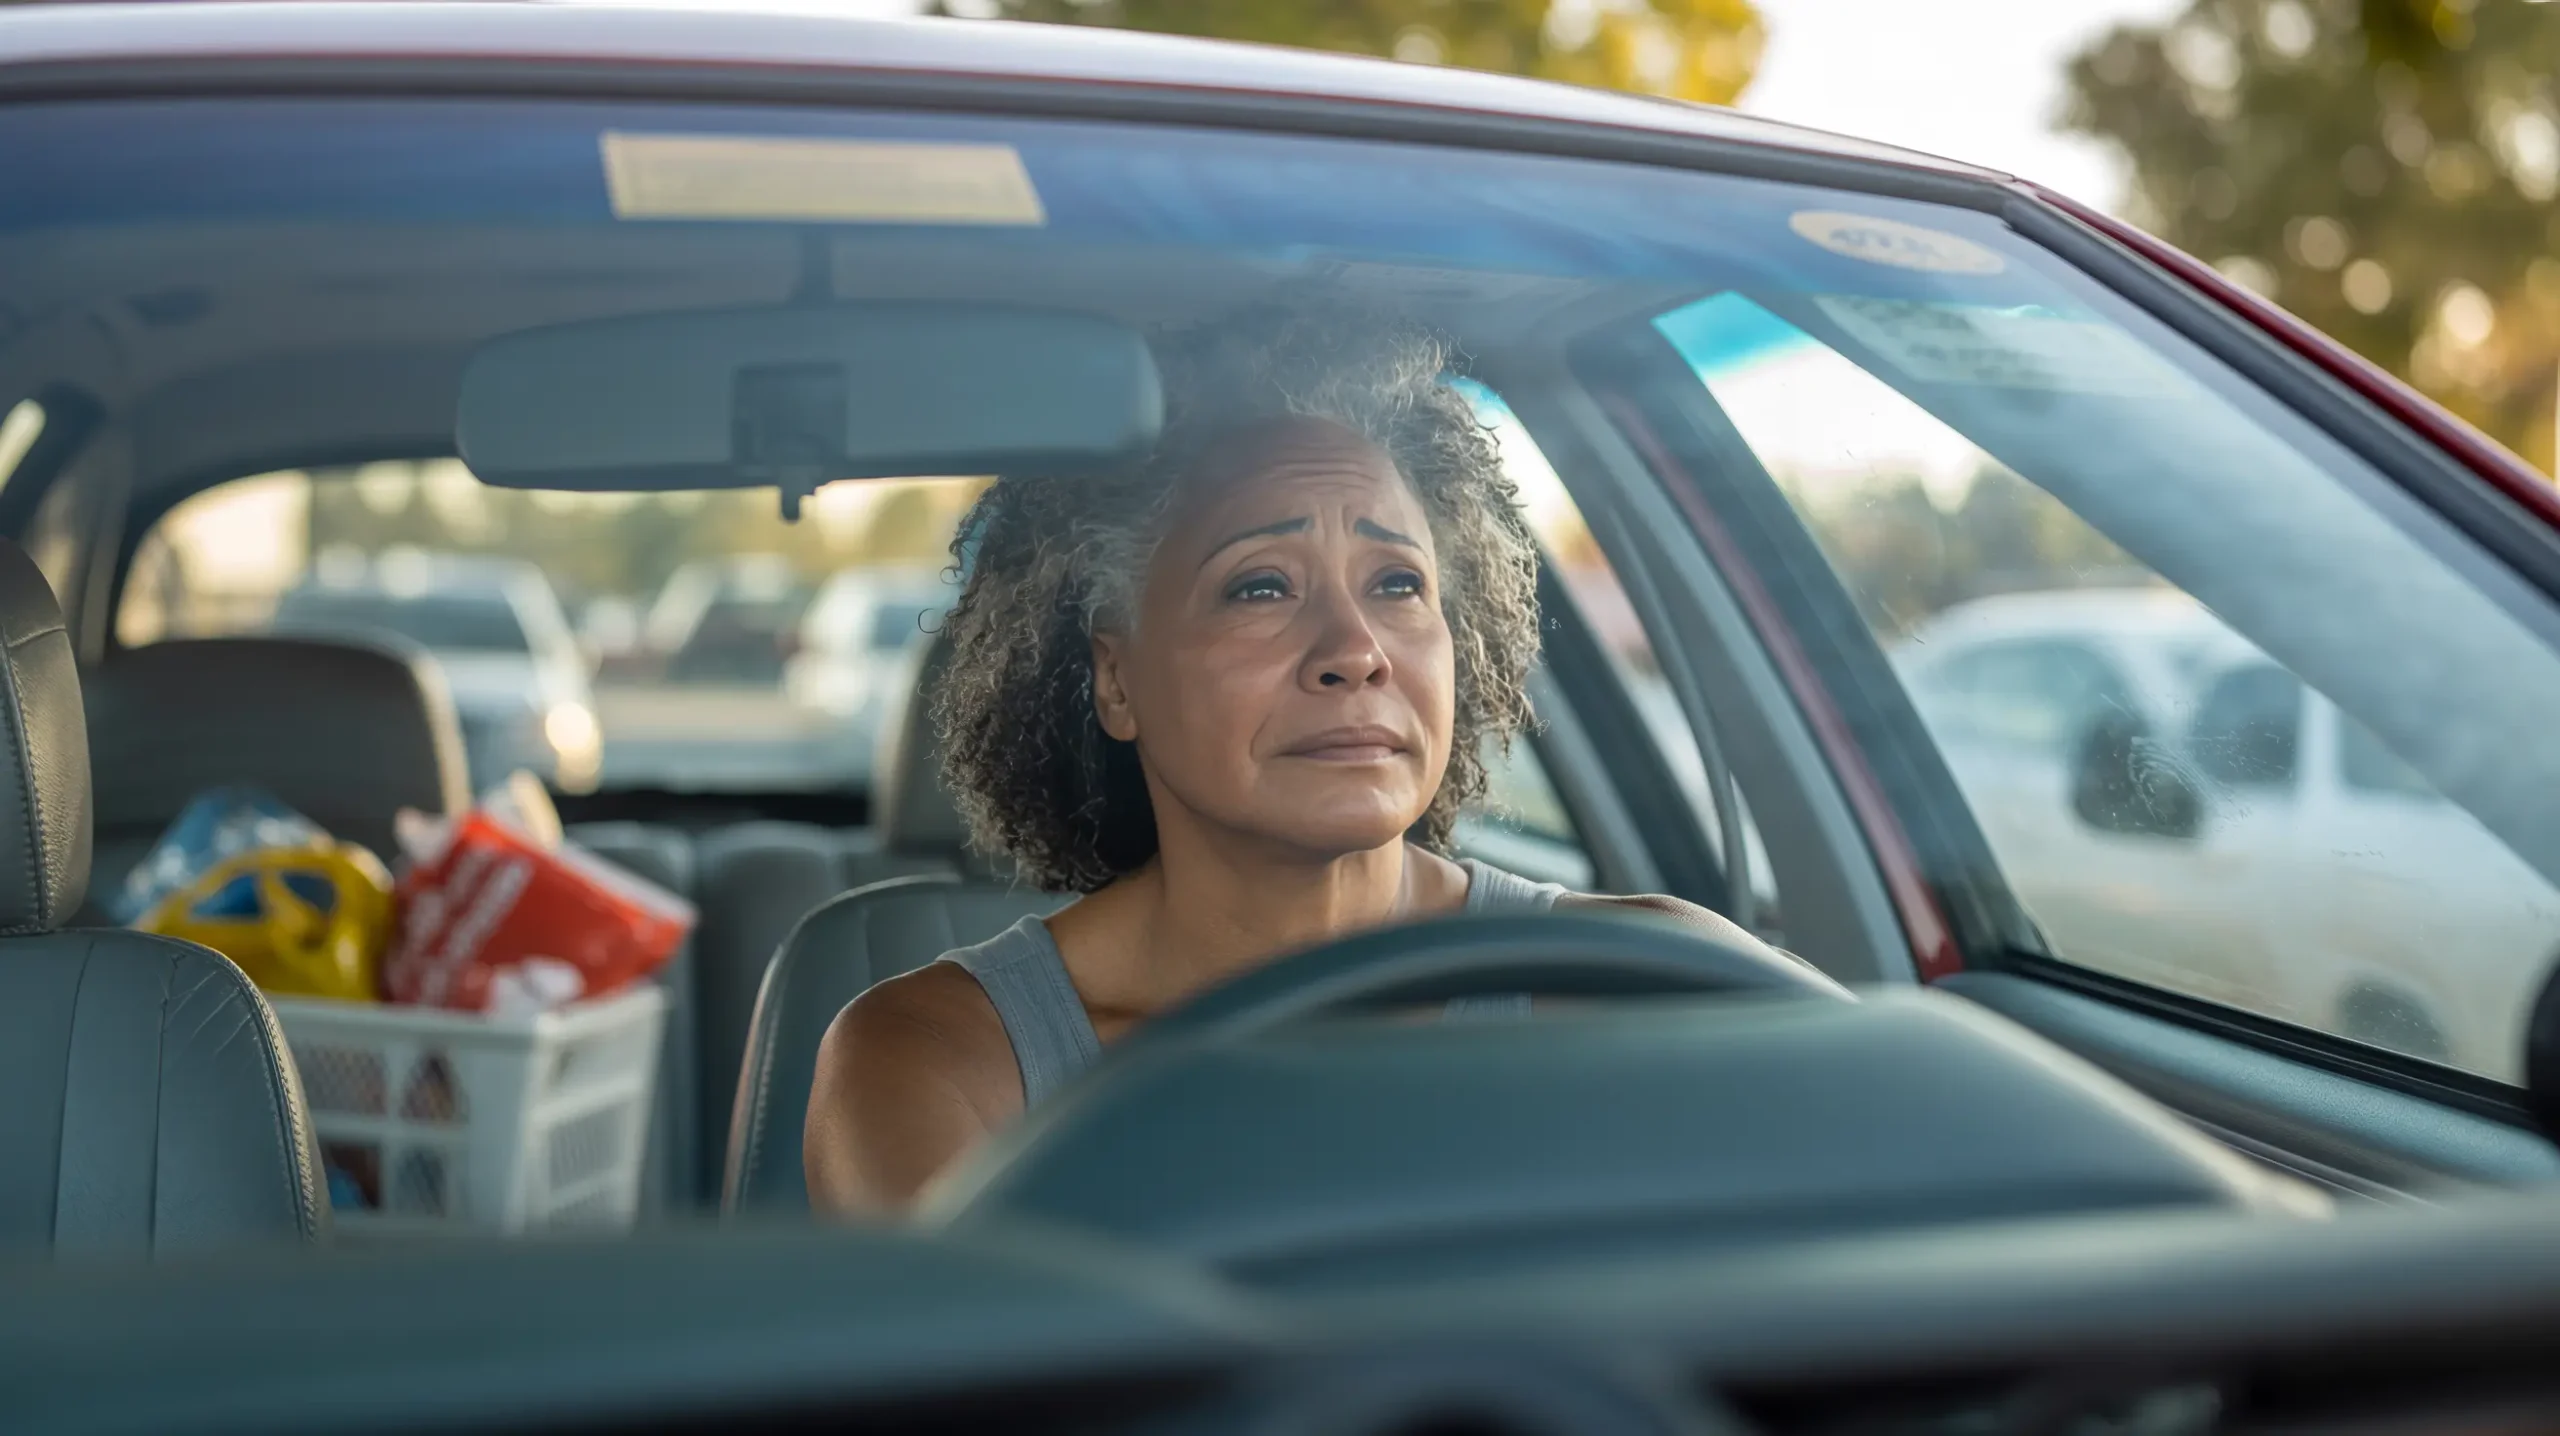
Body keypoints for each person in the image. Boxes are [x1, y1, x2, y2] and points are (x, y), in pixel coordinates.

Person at [805, 313, 1806, 1214]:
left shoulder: (1656, 983)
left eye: (1396, 582)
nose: (1354, 647)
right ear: (1114, 676)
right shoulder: (941, 1059)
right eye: (1261, 586)